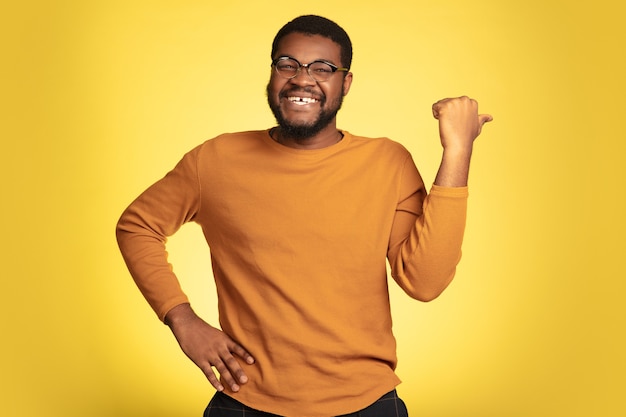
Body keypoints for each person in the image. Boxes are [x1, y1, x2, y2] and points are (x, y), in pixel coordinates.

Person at [116, 14, 492, 417]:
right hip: (246, 401)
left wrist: (457, 151)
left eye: (323, 68)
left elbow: (425, 281)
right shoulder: (215, 160)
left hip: (367, 403)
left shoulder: (387, 162)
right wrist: (182, 320)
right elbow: (138, 226)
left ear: (345, 83)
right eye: (287, 64)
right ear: (273, 74)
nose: (302, 78)